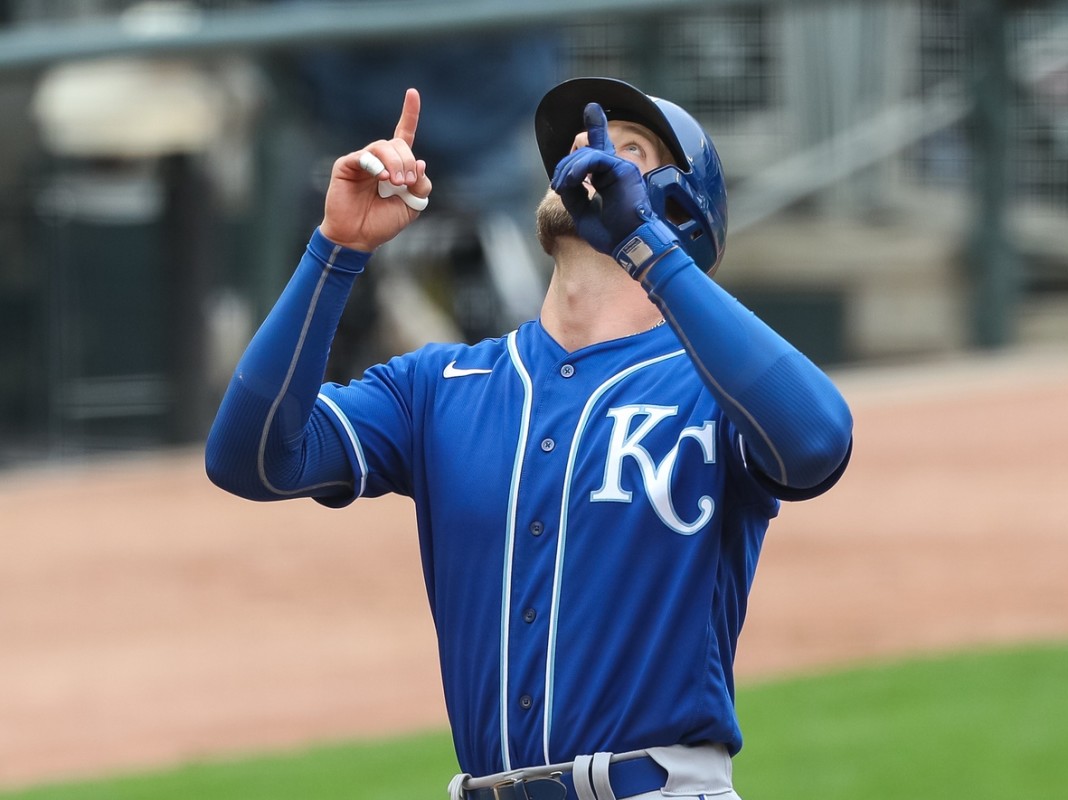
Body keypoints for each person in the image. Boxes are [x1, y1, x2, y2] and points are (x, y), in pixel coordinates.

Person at [206, 77, 853, 800]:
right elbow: (250, 458)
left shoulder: (715, 390)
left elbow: (819, 440)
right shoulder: (439, 385)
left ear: (677, 209)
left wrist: (645, 247)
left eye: (625, 148)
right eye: (579, 143)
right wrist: (336, 250)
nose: (587, 151)